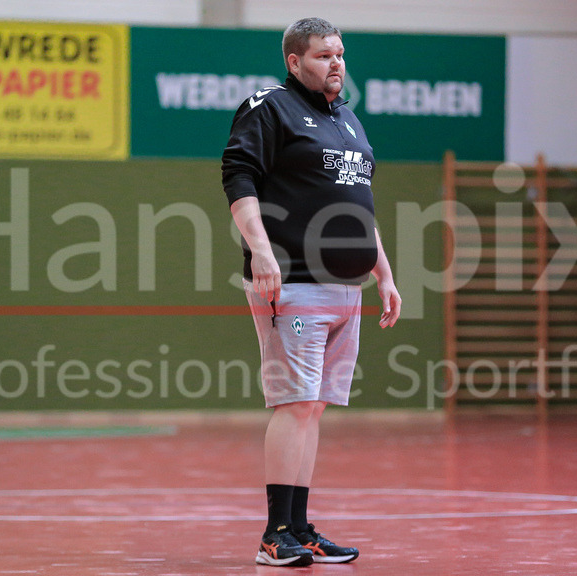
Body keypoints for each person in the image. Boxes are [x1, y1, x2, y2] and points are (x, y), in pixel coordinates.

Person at [222, 16, 401, 567]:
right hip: (293, 279)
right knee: (294, 403)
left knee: (314, 408)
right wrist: (261, 249)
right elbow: (239, 178)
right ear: (295, 62)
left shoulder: (348, 121)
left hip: (345, 286)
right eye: (323, 55)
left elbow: (357, 203)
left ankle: (300, 528)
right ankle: (275, 534)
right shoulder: (268, 108)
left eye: (340, 53)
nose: (336, 63)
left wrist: (383, 272)